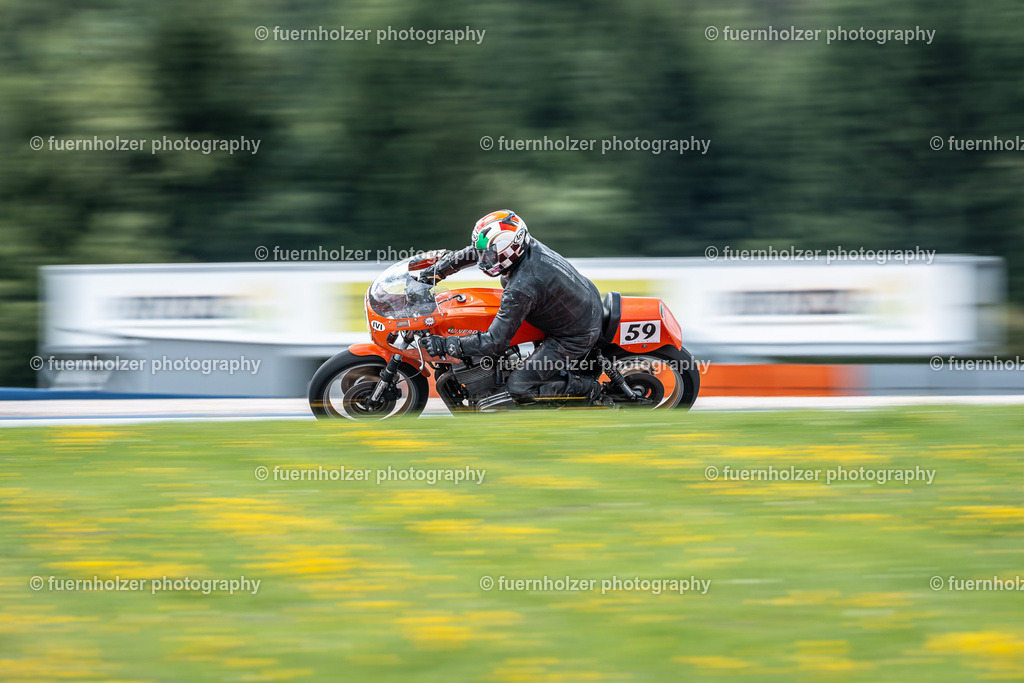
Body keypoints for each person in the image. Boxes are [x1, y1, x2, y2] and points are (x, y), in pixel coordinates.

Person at [417, 210, 604, 405]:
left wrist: (448, 344)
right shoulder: (522, 247)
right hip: (579, 301)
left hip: (574, 335)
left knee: (519, 386)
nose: (483, 260)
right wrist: (434, 273)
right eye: (484, 254)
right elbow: (475, 251)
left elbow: (494, 342)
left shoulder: (522, 286)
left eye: (489, 255)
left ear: (508, 250)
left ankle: (589, 389)